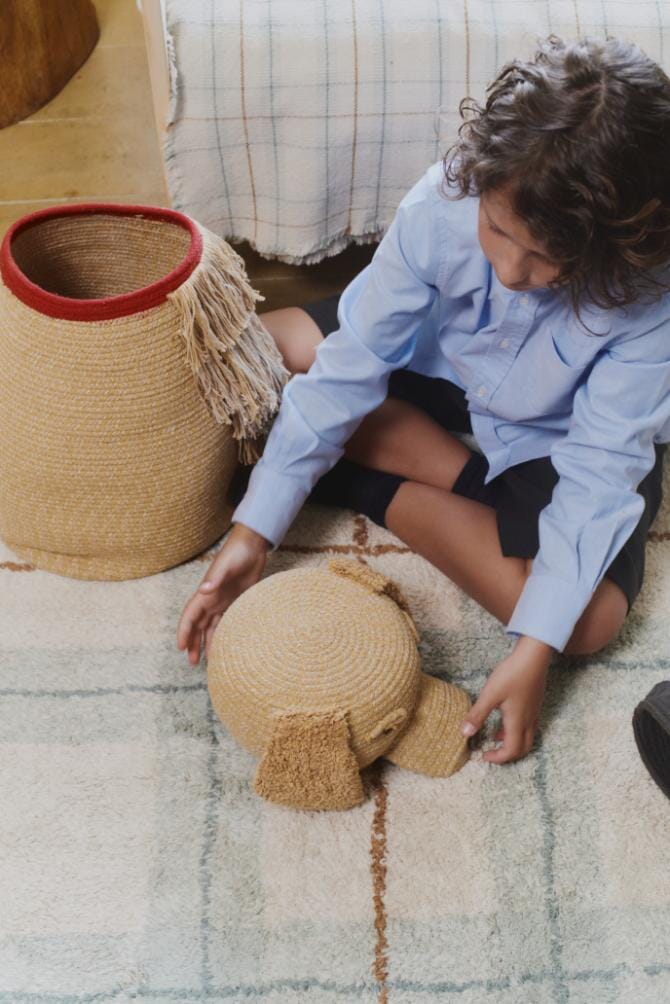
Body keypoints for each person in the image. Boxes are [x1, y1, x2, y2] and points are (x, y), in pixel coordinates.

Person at [177, 34, 670, 765]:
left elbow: (600, 471)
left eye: (548, 261)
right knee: (245, 357)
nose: (510, 271)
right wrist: (253, 532)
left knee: (584, 620)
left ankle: (369, 482)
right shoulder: (444, 202)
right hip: (435, 360)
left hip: (553, 431)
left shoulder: (649, 297)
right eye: (497, 229)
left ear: (615, 251)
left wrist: (532, 649)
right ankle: (456, 476)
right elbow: (352, 364)